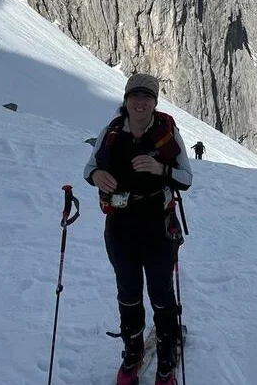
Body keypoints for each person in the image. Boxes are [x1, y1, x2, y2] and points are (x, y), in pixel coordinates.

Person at [85, 73, 193, 384]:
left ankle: (166, 353)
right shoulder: (112, 131)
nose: (140, 102)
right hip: (120, 226)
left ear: (155, 102)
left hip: (158, 225)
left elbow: (186, 178)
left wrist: (160, 168)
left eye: (147, 97)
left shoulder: (166, 132)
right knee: (128, 292)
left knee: (160, 292)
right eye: (135, 96)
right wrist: (96, 176)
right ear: (126, 100)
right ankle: (133, 350)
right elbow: (89, 168)